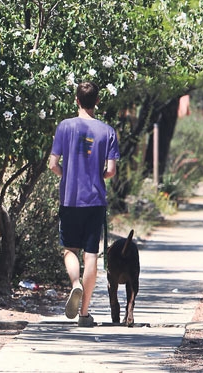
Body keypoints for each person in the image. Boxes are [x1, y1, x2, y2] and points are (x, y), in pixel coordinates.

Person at [48, 81, 120, 327]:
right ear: (97, 101)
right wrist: (96, 177)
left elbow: (52, 164)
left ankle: (75, 284)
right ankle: (84, 314)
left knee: (70, 250)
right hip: (95, 200)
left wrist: (67, 176)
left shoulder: (64, 127)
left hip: (70, 199)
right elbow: (110, 171)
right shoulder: (108, 131)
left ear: (77, 100)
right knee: (91, 257)